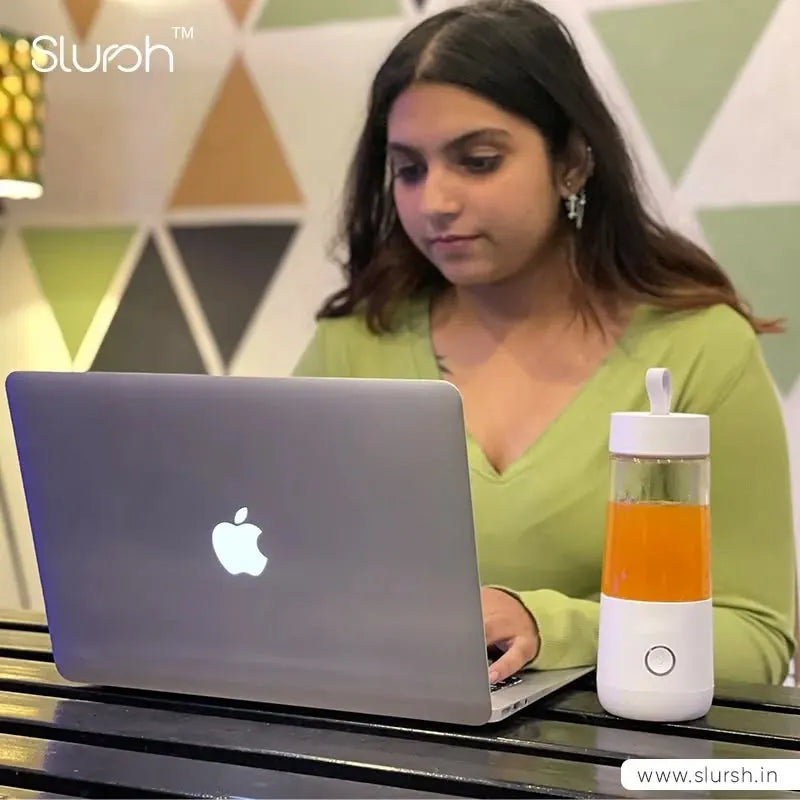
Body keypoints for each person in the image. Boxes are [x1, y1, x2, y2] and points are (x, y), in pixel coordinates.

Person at [292, 0, 796, 686]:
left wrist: (550, 627)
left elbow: (755, 636)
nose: (435, 201)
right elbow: (275, 573)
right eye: (408, 170)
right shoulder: (353, 343)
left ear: (573, 163)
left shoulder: (698, 349)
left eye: (477, 161)